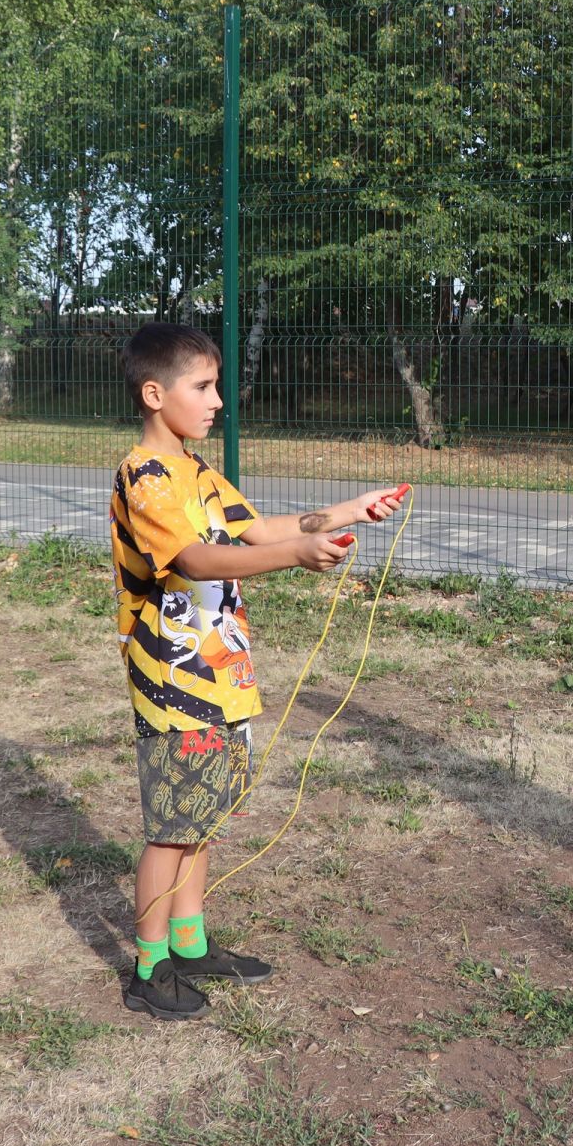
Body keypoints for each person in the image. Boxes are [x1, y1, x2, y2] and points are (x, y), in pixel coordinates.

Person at [111, 321, 406, 1020]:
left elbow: (261, 529)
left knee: (204, 815)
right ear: (155, 394)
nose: (218, 400)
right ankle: (149, 967)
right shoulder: (145, 477)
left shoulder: (199, 473)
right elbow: (196, 560)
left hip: (221, 673)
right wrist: (297, 558)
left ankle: (189, 944)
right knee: (173, 826)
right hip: (173, 680)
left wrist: (348, 511)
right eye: (204, 386)